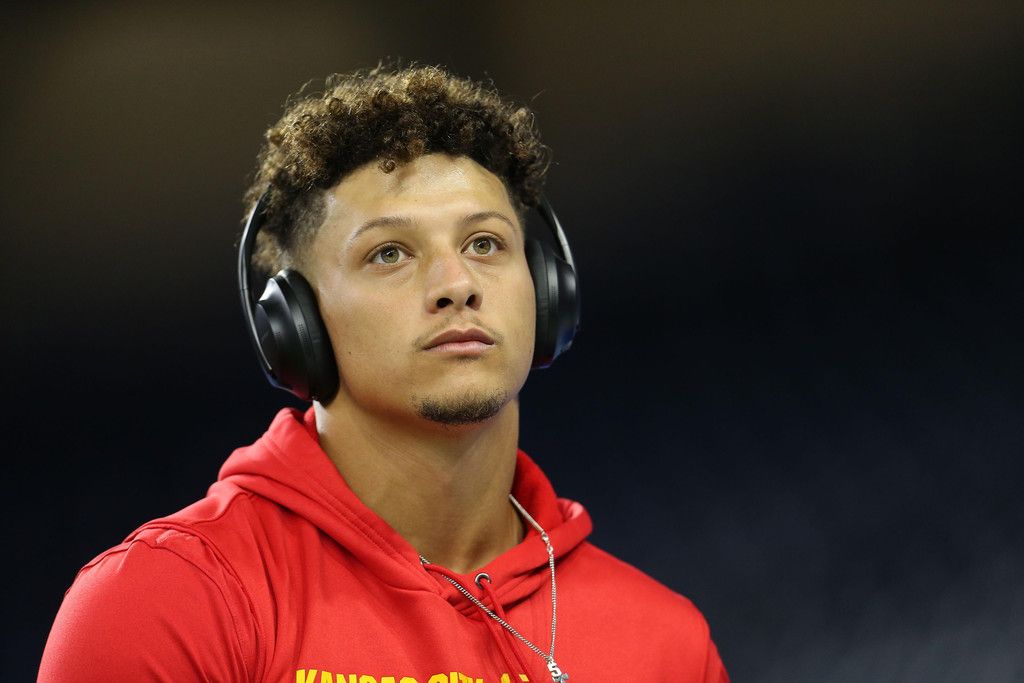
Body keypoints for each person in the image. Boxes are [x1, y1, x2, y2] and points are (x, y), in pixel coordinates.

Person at [39, 64, 729, 683]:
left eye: (485, 243)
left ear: (549, 291)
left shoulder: (668, 644)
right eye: (390, 253)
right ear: (296, 325)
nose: (456, 284)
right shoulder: (170, 602)